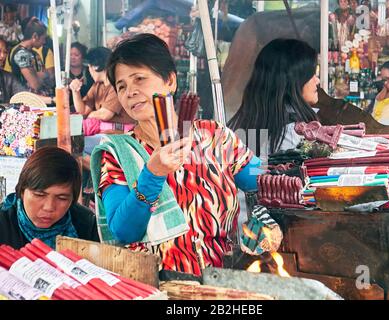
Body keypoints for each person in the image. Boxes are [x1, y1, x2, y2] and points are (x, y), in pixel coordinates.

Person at [91, 33, 262, 276]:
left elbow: (258, 178)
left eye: (139, 78)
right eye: (122, 86)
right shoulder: (118, 153)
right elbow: (123, 231)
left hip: (222, 280)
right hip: (159, 285)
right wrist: (153, 174)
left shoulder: (214, 135)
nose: (130, 92)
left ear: (170, 80)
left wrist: (266, 210)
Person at [228, 38, 320, 161]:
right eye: (311, 74)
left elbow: (253, 175)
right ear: (294, 81)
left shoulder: (246, 125)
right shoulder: (291, 133)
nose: (317, 81)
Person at [0, 147, 100, 250]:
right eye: (39, 195)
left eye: (62, 198)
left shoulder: (87, 225)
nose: (49, 207)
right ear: (22, 191)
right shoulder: (3, 223)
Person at [4, 17, 52, 95]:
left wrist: (38, 75)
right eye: (43, 38)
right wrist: (39, 76)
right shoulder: (21, 54)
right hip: (25, 99)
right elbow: (35, 84)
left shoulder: (32, 53)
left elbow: (46, 77)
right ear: (35, 36)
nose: (44, 42)